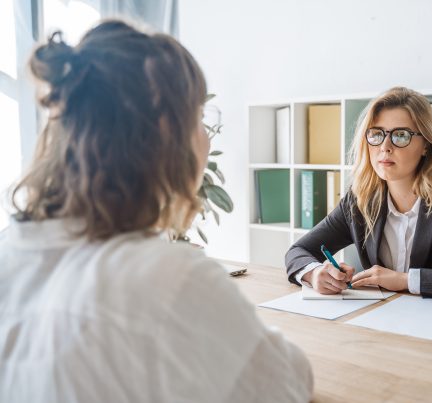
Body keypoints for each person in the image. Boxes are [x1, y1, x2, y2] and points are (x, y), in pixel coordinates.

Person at [0, 20, 312, 403]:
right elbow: (286, 384)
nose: (206, 136)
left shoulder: (9, 250)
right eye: (198, 117)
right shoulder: (170, 277)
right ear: (165, 134)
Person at [285, 87, 432, 302]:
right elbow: (298, 251)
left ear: (426, 144)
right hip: (384, 322)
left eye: (400, 136)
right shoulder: (359, 200)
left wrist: (405, 280)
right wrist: (315, 273)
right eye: (376, 134)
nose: (385, 146)